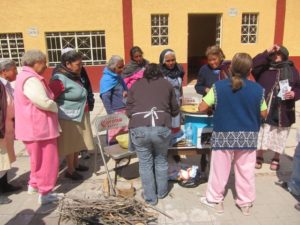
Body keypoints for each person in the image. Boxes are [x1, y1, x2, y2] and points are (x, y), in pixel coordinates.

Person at [198, 53, 267, 215]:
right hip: (248, 135)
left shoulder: (219, 87)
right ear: (250, 70)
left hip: (223, 134)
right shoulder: (258, 90)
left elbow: (201, 107)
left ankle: (216, 200)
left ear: (230, 68)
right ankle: (245, 204)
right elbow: (264, 113)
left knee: (219, 169)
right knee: (246, 170)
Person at [126, 63, 179, 205]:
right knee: (161, 160)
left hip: (139, 129)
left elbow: (129, 110)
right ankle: (161, 193)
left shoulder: (136, 85)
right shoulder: (167, 84)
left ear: (145, 74)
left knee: (145, 163)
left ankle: (150, 198)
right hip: (161, 127)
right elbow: (175, 109)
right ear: (160, 73)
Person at [14, 50, 63, 204]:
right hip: (40, 129)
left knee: (37, 160)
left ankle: (34, 185)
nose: (46, 66)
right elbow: (42, 101)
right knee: (48, 161)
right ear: (37, 63)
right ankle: (45, 192)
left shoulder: (23, 76)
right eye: (44, 62)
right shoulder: (31, 79)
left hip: (32, 128)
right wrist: (55, 106)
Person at [253, 45, 300, 171]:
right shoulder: (264, 68)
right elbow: (253, 63)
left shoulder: (292, 70)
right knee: (263, 130)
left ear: (284, 55)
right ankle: (259, 155)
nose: (275, 56)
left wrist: (294, 93)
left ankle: (276, 158)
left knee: (280, 133)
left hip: (283, 108)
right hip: (265, 106)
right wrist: (267, 51)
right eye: (273, 54)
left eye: (278, 54)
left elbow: (298, 87)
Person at [50, 50, 95, 180]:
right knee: (70, 144)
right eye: (78, 64)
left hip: (79, 114)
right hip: (68, 117)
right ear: (68, 64)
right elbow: (51, 97)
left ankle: (75, 165)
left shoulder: (73, 75)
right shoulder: (59, 79)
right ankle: (70, 170)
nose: (81, 67)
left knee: (77, 142)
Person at [0, 59, 21, 204]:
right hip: (1, 128)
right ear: (4, 71)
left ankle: (4, 186)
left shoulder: (6, 85)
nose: (16, 72)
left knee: (5, 159)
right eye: (14, 69)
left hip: (7, 127)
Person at [100, 55, 128, 144]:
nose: (122, 69)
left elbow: (125, 88)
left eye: (123, 66)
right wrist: (111, 115)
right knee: (114, 137)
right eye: (120, 67)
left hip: (123, 110)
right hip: (115, 113)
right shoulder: (107, 79)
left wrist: (125, 91)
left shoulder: (117, 76)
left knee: (123, 136)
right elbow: (105, 98)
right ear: (112, 67)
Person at [159, 49, 184, 135]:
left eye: (173, 60)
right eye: (168, 61)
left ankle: (175, 139)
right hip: (164, 104)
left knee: (176, 124)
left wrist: (181, 99)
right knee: (166, 125)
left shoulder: (179, 70)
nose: (171, 63)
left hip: (176, 102)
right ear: (163, 61)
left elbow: (180, 87)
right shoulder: (160, 73)